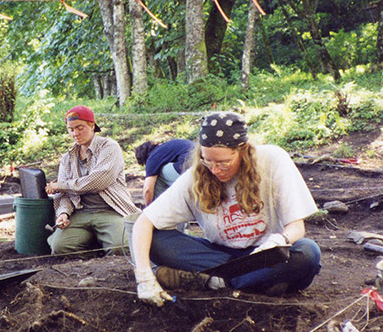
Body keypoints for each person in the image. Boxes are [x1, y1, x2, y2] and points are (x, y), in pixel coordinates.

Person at [131, 111, 321, 307]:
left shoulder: (273, 159)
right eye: (208, 161)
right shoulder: (196, 176)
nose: (214, 170)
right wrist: (144, 276)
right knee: (155, 241)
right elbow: (143, 222)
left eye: (223, 162)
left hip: (267, 256)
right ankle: (256, 282)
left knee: (307, 253)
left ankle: (218, 282)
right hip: (220, 258)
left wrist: (280, 239)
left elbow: (297, 227)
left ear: (243, 150)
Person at [45, 105, 139, 255]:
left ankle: (105, 242)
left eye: (80, 128)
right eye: (71, 129)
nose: (75, 133)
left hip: (111, 210)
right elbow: (63, 195)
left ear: (92, 125)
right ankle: (96, 247)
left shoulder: (109, 147)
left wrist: (61, 185)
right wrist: (63, 213)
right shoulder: (67, 158)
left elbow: (98, 181)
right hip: (81, 212)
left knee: (121, 248)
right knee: (60, 247)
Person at [134, 138, 196, 205]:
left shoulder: (152, 158)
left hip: (189, 166)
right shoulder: (166, 148)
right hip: (202, 160)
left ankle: (159, 208)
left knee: (155, 177)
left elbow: (147, 190)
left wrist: (147, 208)